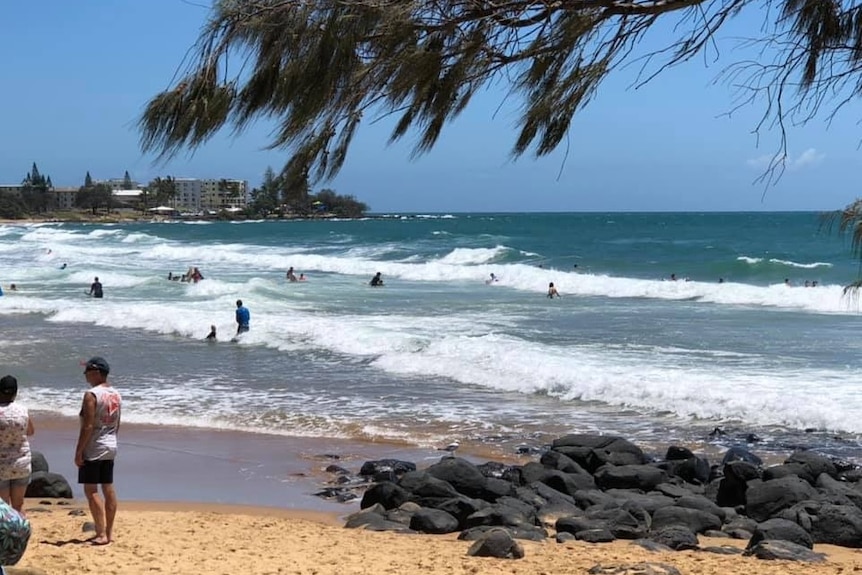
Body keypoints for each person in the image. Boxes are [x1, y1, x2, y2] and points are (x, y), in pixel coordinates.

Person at [75, 357, 121, 546]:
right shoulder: (116, 394)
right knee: (108, 487)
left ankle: (100, 532)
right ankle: (108, 532)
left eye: (87, 371)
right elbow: (118, 422)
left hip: (94, 446)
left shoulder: (91, 395)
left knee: (91, 489)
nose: (84, 375)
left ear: (96, 373)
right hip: (111, 444)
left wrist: (79, 451)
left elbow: (88, 426)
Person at [0, 376, 34, 515]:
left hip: (1, 466)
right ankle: (20, 535)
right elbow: (30, 431)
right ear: (15, 392)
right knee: (18, 505)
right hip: (21, 464)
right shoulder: (22, 410)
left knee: (3, 507)